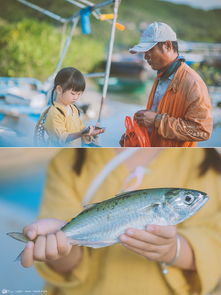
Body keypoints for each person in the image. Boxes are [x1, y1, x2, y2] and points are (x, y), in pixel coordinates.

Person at [20, 148, 221, 295]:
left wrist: (175, 250)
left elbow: (216, 240)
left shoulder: (208, 165)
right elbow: (65, 263)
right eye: (188, 199)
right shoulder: (68, 161)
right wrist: (60, 245)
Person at [120, 22, 213, 147]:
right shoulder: (160, 76)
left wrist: (157, 120)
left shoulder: (193, 83)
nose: (146, 56)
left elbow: (202, 131)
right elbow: (154, 122)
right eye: (144, 51)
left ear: (168, 45)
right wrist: (136, 135)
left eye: (150, 50)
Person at [40, 67, 104, 146]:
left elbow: (80, 128)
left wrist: (90, 132)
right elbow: (61, 138)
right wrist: (81, 133)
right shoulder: (55, 113)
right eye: (73, 93)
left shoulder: (73, 108)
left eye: (79, 94)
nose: (76, 97)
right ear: (59, 90)